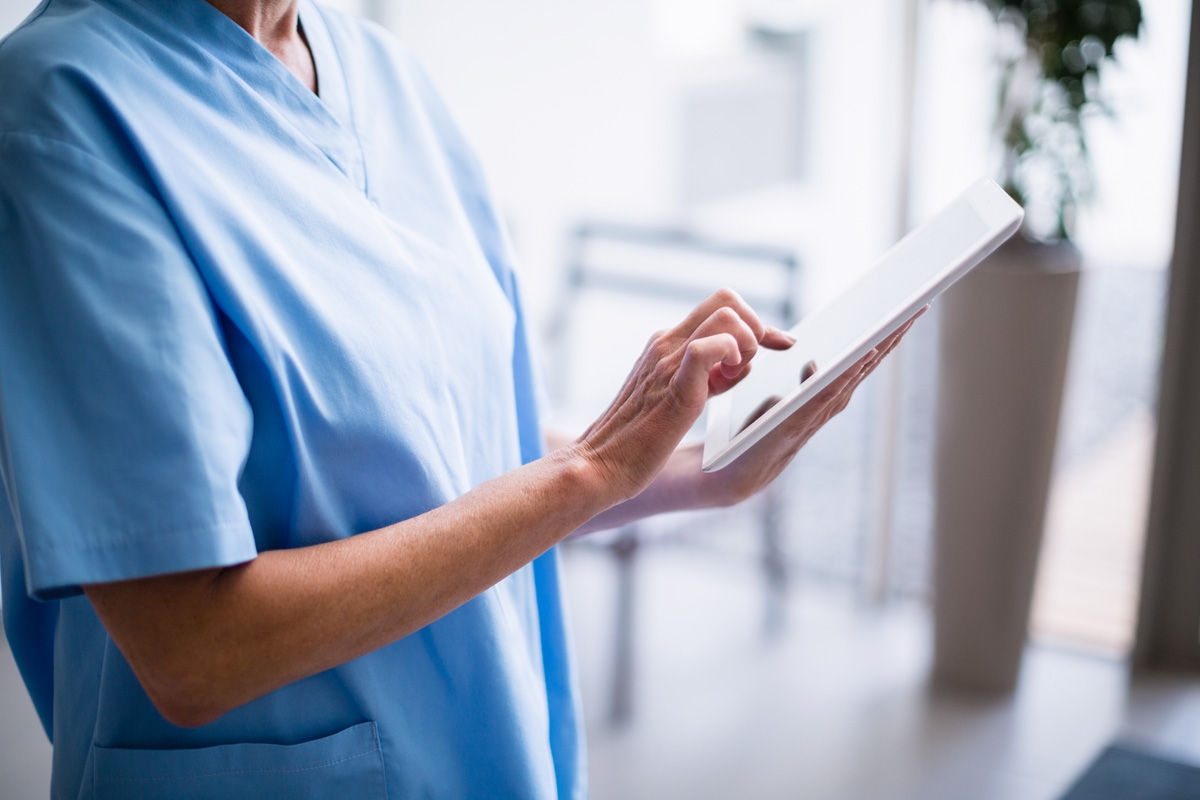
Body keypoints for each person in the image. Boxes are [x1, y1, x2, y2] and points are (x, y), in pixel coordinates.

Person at [0, 0, 915, 797]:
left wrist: (694, 471)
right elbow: (195, 647)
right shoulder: (61, 109)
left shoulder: (387, 78)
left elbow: (467, 456)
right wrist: (591, 473)